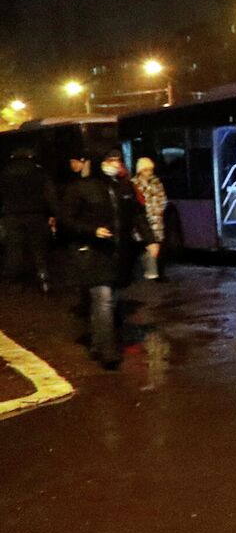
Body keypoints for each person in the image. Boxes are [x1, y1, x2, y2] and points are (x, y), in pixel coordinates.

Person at [59, 151, 155, 370]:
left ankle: (97, 343)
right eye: (110, 161)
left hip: (117, 253)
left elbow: (137, 215)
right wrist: (93, 230)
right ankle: (108, 352)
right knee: (103, 297)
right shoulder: (82, 188)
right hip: (92, 253)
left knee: (108, 299)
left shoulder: (124, 187)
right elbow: (67, 219)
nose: (115, 164)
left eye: (117, 160)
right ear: (99, 163)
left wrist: (151, 240)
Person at [0, 146, 55, 293]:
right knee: (38, 249)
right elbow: (50, 195)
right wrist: (53, 213)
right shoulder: (39, 172)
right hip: (36, 215)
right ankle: (44, 279)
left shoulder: (5, 173)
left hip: (12, 216)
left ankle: (14, 283)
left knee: (14, 249)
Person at [132, 156, 168, 281]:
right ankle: (144, 272)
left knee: (158, 247)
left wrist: (158, 210)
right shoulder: (133, 184)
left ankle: (158, 273)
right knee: (142, 247)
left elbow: (163, 199)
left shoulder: (156, 182)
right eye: (146, 170)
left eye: (151, 170)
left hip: (156, 221)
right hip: (142, 222)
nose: (149, 173)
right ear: (140, 171)